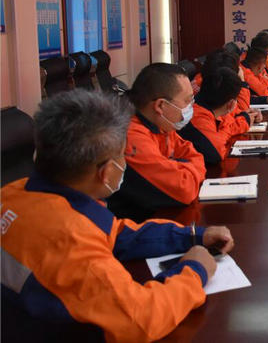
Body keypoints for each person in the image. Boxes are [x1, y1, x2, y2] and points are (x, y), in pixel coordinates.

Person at [1, 89, 234, 341]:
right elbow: (141, 318)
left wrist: (192, 236)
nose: (125, 162)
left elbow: (117, 233)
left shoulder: (17, 192)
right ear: (105, 172)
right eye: (123, 155)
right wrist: (195, 270)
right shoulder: (70, 239)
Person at [108, 63, 206, 219]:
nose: (191, 107)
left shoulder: (161, 124)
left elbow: (195, 155)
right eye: (187, 101)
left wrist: (184, 168)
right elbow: (184, 189)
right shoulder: (130, 136)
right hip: (132, 225)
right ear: (160, 105)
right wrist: (184, 168)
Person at [179, 67, 251, 165]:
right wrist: (227, 131)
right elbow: (216, 153)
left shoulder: (211, 108)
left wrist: (243, 119)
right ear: (231, 104)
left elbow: (229, 123)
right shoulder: (197, 116)